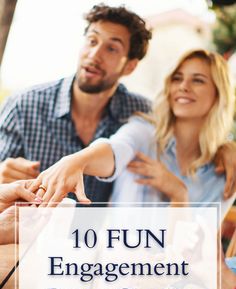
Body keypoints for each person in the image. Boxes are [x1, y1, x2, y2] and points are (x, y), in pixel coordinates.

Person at [32, 49, 235, 218]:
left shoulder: (223, 172)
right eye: (177, 78)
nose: (183, 87)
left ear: (219, 93)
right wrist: (78, 161)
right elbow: (114, 149)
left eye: (197, 80)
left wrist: (179, 195)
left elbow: (200, 251)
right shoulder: (143, 133)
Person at [0, 4, 152, 203]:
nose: (94, 54)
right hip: (27, 232)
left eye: (112, 48)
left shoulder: (140, 113)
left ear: (129, 66)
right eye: (92, 41)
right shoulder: (24, 105)